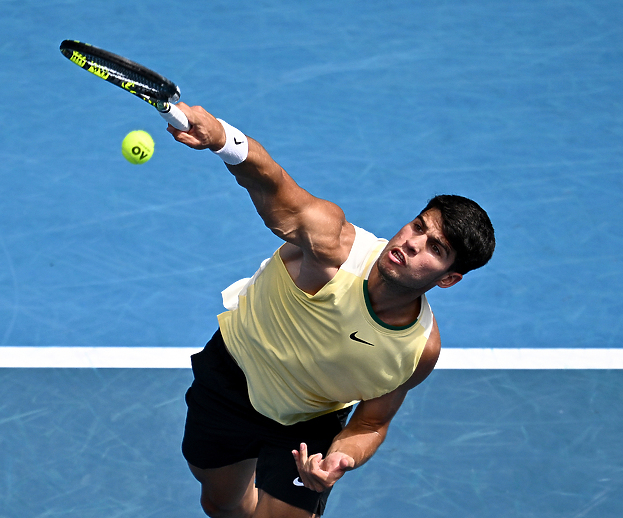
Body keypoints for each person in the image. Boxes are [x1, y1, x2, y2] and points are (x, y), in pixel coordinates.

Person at [167, 103, 495, 518]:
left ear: (448, 279)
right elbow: (273, 186)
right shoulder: (332, 247)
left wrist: (341, 459)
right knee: (221, 504)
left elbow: (372, 422)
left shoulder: (418, 349)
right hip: (231, 379)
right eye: (418, 226)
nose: (413, 243)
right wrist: (222, 139)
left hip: (308, 422)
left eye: (436, 248)